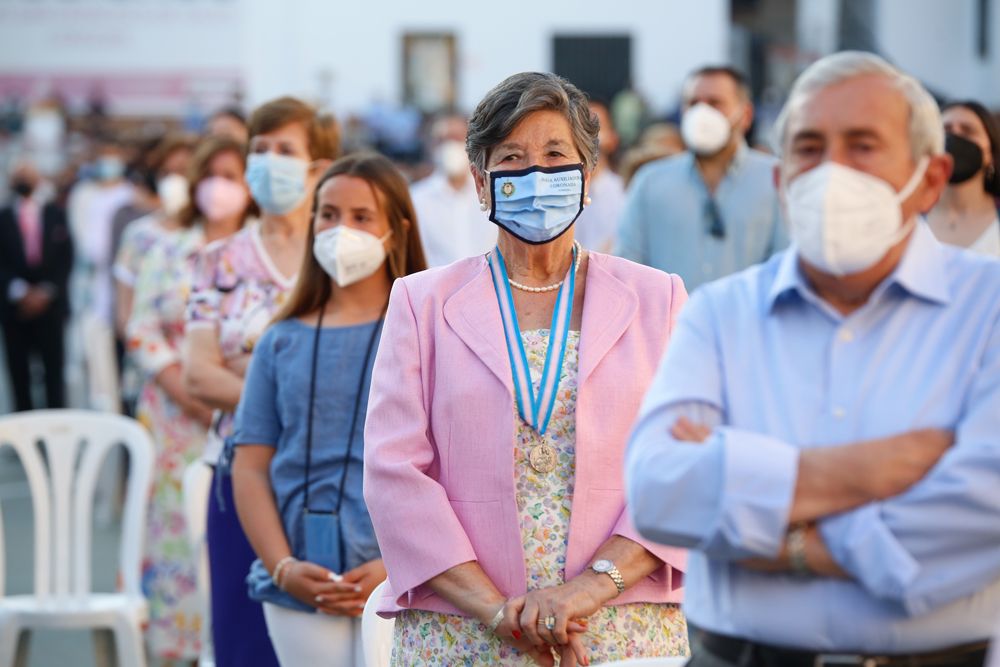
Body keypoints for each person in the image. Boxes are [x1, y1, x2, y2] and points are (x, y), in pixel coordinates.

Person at [626, 52, 1000, 667]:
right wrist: (871, 471)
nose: (832, 171)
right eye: (807, 147)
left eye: (862, 146)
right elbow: (660, 491)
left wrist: (774, 530)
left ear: (929, 179)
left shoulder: (987, 311)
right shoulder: (719, 315)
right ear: (781, 181)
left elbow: (982, 508)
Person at [364, 72, 689, 667]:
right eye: (512, 157)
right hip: (465, 627)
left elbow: (686, 466)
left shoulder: (656, 298)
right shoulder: (422, 302)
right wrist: (498, 612)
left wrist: (584, 593)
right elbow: (394, 473)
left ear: (588, 176)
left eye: (556, 154)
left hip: (618, 623)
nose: (536, 175)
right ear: (482, 183)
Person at [232, 153, 427, 666]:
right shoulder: (280, 340)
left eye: (362, 217)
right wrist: (282, 567)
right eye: (328, 214)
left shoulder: (427, 333)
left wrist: (395, 563)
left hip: (409, 580)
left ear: (396, 231)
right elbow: (249, 466)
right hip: (299, 582)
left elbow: (456, 468)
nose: (342, 230)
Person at [182, 96, 339, 667]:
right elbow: (198, 373)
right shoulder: (218, 260)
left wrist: (252, 370)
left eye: (286, 150)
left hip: (331, 484)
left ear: (318, 167)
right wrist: (302, 389)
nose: (269, 162)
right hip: (239, 472)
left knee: (324, 639)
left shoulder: (340, 260)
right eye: (260, 150)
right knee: (244, 643)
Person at [126, 136, 251, 663]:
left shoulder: (259, 251)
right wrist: (187, 387)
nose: (219, 187)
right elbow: (141, 328)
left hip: (246, 418)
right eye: (211, 175)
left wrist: (231, 397)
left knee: (234, 534)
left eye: (232, 175)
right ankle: (173, 648)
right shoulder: (167, 245)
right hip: (174, 419)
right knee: (173, 533)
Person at [615, 65, 784, 291]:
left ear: (745, 115)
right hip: (672, 326)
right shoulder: (650, 183)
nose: (702, 113)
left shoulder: (777, 180)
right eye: (693, 103)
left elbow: (786, 269)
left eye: (715, 103)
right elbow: (626, 271)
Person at [0, 160, 73, 411]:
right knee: (19, 373)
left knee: (54, 370)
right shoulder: (4, 216)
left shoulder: (56, 213)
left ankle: (56, 425)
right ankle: (23, 428)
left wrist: (46, 291)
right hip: (14, 308)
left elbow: (66, 259)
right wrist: (19, 291)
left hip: (50, 306)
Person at [409, 113, 495, 266]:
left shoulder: (493, 194)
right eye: (443, 140)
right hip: (436, 288)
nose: (450, 146)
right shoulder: (416, 199)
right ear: (432, 146)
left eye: (457, 138)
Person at [926, 100, 1000, 256]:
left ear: (991, 155)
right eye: (946, 129)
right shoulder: (909, 214)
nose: (955, 136)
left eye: (968, 131)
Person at [574, 100, 627, 254]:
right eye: (581, 127)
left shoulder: (624, 193)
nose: (587, 135)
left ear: (613, 140)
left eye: (596, 127)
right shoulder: (558, 192)